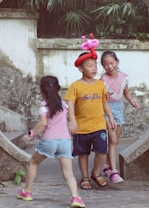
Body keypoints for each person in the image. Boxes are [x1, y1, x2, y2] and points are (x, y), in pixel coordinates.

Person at [17, 75, 86, 208]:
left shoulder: (43, 106)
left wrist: (30, 134)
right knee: (69, 173)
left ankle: (27, 192)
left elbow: (43, 123)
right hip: (65, 141)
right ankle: (76, 197)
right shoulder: (63, 105)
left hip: (49, 140)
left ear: (41, 90)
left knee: (33, 162)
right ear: (58, 88)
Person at [64, 35, 116, 190]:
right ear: (81, 68)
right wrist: (72, 121)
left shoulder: (101, 84)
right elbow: (70, 104)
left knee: (102, 151)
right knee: (83, 154)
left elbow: (104, 102)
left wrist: (110, 117)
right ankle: (85, 177)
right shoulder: (75, 86)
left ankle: (97, 173)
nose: (93, 68)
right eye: (89, 66)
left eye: (94, 65)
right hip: (81, 127)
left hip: (99, 125)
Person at [100, 50, 140, 184]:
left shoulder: (123, 77)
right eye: (106, 64)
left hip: (118, 109)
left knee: (115, 140)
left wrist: (132, 101)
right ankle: (114, 171)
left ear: (117, 62)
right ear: (103, 66)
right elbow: (101, 97)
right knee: (112, 140)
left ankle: (106, 165)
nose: (109, 66)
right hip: (106, 109)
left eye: (111, 63)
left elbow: (126, 93)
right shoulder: (103, 79)